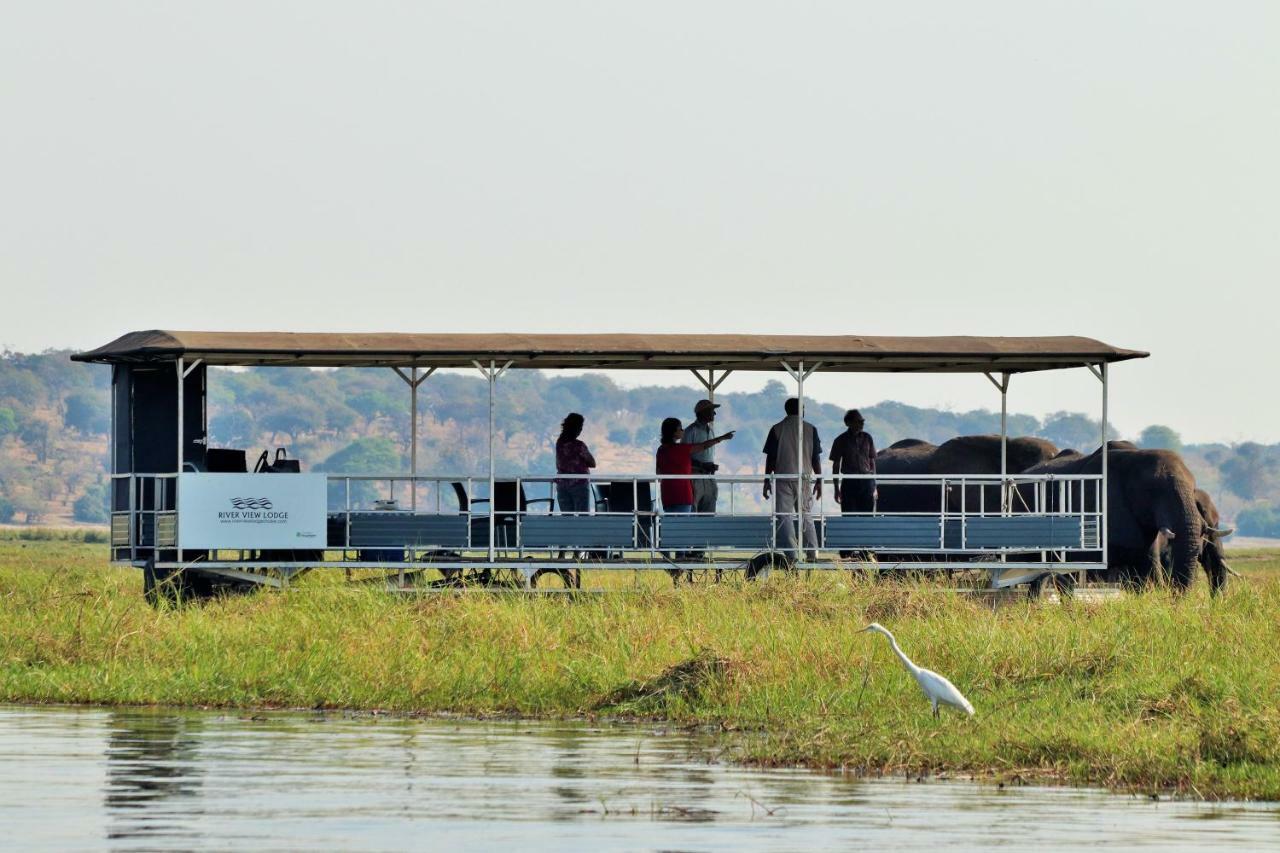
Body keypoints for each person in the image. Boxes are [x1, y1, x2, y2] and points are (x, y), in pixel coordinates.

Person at [762, 398, 821, 561]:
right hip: (804, 478)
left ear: (786, 410)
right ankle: (812, 551)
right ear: (801, 410)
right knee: (805, 514)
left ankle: (791, 554)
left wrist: (767, 480)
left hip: (783, 477)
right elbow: (815, 458)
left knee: (784, 516)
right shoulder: (811, 429)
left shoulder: (777, 429)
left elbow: (771, 458)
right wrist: (820, 480)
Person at [655, 416, 735, 513]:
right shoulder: (683, 449)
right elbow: (704, 445)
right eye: (680, 428)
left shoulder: (661, 450)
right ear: (674, 432)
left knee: (673, 525)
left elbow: (658, 473)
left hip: (667, 495)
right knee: (684, 525)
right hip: (683, 494)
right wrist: (722, 438)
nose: (682, 430)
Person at [829, 409, 877, 559]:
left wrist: (875, 485)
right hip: (849, 481)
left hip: (866, 481)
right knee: (848, 516)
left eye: (862, 421)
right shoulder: (840, 440)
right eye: (858, 421)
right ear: (848, 423)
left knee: (867, 517)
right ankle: (847, 551)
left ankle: (866, 550)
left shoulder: (868, 438)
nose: (861, 424)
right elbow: (836, 465)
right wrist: (836, 488)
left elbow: (872, 462)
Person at [683, 399, 722, 515]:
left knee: (709, 513)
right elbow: (684, 456)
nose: (714, 413)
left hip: (709, 477)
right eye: (711, 410)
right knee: (693, 512)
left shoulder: (710, 430)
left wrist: (710, 466)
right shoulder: (690, 431)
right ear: (703, 412)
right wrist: (702, 465)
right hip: (695, 477)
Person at [555, 412, 596, 513]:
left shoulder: (559, 443)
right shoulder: (579, 446)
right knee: (582, 517)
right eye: (580, 427)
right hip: (579, 484)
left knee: (567, 518)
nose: (581, 430)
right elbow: (592, 463)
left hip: (562, 484)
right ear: (575, 428)